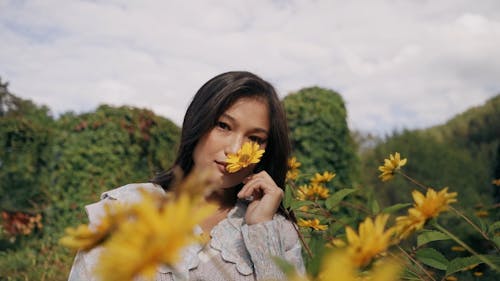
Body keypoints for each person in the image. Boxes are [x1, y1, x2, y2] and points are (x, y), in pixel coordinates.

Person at [68, 71, 305, 281]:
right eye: (223, 125)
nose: (235, 150)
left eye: (254, 139)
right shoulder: (127, 208)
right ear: (198, 123)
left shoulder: (279, 231)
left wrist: (262, 230)